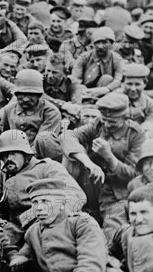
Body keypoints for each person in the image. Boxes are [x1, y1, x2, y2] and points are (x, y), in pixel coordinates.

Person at [62, 93, 146, 240]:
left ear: (125, 119)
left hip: (115, 191)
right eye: (104, 120)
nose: (106, 125)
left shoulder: (136, 134)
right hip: (90, 183)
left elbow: (135, 174)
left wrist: (110, 157)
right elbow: (67, 137)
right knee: (72, 158)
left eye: (113, 122)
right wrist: (87, 162)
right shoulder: (97, 125)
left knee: (113, 227)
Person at [0, 129, 85, 250]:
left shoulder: (47, 167)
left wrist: (35, 215)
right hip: (14, 231)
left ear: (25, 153)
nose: (8, 158)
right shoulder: (5, 174)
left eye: (14, 153)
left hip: (45, 224)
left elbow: (76, 195)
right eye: (4, 154)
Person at [1, 69, 62, 159]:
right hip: (17, 156)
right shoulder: (9, 110)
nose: (26, 99)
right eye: (22, 94)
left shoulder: (51, 112)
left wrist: (26, 160)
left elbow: (44, 142)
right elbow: (5, 136)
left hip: (44, 157)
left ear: (39, 95)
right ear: (16, 94)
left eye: (31, 94)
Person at [72, 26, 124, 99]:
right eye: (97, 42)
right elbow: (75, 78)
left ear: (111, 44)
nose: (100, 46)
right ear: (93, 44)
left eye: (104, 42)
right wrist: (82, 89)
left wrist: (105, 89)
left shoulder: (116, 59)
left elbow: (118, 80)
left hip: (106, 94)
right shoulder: (84, 57)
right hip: (84, 92)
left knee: (107, 78)